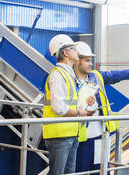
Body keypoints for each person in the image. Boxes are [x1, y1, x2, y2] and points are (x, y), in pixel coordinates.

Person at [74, 41, 129, 174]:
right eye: (87, 61)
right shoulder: (69, 81)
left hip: (100, 136)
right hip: (81, 139)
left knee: (101, 171)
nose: (91, 64)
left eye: (91, 60)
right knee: (78, 171)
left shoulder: (96, 76)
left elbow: (119, 75)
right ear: (77, 61)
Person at [43, 35, 95, 175]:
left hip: (71, 132)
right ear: (66, 53)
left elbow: (69, 102)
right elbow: (58, 106)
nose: (77, 52)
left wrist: (83, 107)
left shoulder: (68, 74)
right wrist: (79, 113)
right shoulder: (58, 75)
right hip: (59, 134)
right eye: (74, 49)